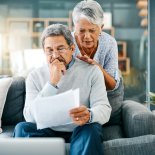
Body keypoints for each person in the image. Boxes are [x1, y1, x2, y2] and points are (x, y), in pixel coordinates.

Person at [13, 24, 111, 155]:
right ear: (44, 51)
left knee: (92, 129)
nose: (55, 55)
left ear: (72, 48)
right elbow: (29, 116)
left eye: (60, 48)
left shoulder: (92, 71)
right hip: (47, 130)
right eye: (49, 50)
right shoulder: (34, 76)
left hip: (80, 129)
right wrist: (52, 82)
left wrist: (89, 114)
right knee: (22, 128)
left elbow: (104, 108)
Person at [72, 0, 124, 125]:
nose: (87, 36)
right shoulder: (67, 42)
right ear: (74, 27)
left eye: (92, 30)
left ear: (101, 28)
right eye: (82, 30)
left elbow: (112, 85)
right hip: (75, 102)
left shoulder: (109, 43)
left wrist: (96, 66)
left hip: (100, 104)